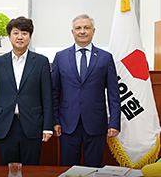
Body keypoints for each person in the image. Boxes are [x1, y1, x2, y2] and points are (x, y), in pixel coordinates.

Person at [51, 14, 121, 167]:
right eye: (78, 28)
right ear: (72, 32)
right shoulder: (60, 57)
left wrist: (114, 122)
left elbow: (114, 94)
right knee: (69, 168)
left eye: (86, 28)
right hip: (68, 124)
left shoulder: (105, 57)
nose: (82, 31)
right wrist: (55, 120)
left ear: (93, 31)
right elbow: (54, 92)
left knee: (94, 168)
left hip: (96, 123)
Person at [0, 16, 53, 165]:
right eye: (16, 33)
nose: (20, 37)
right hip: (5, 125)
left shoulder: (41, 62)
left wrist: (48, 127)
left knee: (31, 170)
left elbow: (47, 97)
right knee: (8, 169)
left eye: (24, 33)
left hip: (33, 124)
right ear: (9, 37)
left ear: (30, 37)